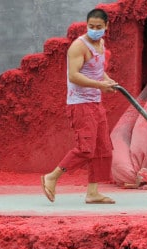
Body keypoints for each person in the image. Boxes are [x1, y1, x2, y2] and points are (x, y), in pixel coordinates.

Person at [41, 7, 118, 205]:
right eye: (90, 26)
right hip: (80, 104)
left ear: (106, 26)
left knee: (103, 149)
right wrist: (101, 85)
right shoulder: (78, 46)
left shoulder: (101, 43)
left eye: (98, 26)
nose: (94, 29)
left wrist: (108, 82)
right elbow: (74, 76)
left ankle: (92, 193)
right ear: (86, 25)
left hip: (95, 102)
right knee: (86, 149)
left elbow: (98, 72)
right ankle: (52, 177)